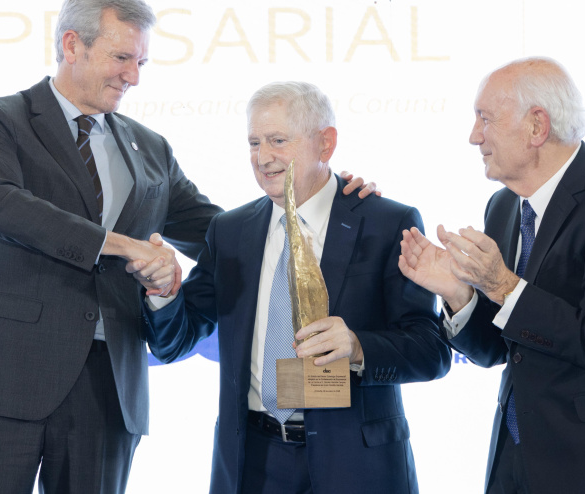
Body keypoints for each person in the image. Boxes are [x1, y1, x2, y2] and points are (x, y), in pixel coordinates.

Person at [0, 1, 374, 492]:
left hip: (108, 389)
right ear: (72, 45)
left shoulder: (151, 148)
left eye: (141, 62)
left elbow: (227, 237)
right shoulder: (2, 118)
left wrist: (323, 197)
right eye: (122, 58)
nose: (133, 76)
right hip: (2, 376)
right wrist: (120, 246)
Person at [142, 81, 451, 494]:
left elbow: (431, 351)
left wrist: (359, 346)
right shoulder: (230, 231)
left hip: (356, 466)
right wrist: (163, 294)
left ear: (325, 144)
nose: (263, 157)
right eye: (253, 142)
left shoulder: (385, 222)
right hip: (252, 463)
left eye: (277, 140)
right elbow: (174, 342)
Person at [398, 57, 585, 494]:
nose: (474, 136)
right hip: (517, 465)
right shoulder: (504, 206)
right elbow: (500, 349)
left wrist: (501, 285)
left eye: (485, 119)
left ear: (536, 126)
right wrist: (459, 295)